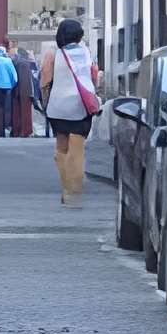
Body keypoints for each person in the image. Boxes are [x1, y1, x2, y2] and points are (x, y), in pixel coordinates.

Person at [40, 17, 101, 206]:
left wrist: (44, 101)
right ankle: (75, 190)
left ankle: (66, 187)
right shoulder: (86, 53)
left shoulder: (53, 54)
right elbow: (94, 77)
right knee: (78, 148)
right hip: (80, 106)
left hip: (58, 107)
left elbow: (45, 78)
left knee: (62, 148)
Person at [13, 40, 37, 137]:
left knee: (18, 112)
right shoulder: (25, 63)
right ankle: (26, 131)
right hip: (25, 92)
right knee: (25, 112)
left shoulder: (19, 62)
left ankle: (18, 131)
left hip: (19, 91)